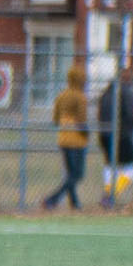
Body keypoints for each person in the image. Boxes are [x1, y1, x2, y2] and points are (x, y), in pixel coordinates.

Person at [96, 70, 133, 208]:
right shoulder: (125, 92)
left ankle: (108, 196)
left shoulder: (106, 92)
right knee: (132, 169)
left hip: (104, 134)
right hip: (121, 135)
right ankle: (109, 196)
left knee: (110, 166)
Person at [40, 63, 89, 209]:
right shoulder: (80, 97)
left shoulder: (61, 96)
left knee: (70, 174)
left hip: (63, 138)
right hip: (77, 140)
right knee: (77, 174)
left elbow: (55, 118)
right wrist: (86, 133)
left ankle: (75, 204)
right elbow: (81, 119)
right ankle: (52, 199)